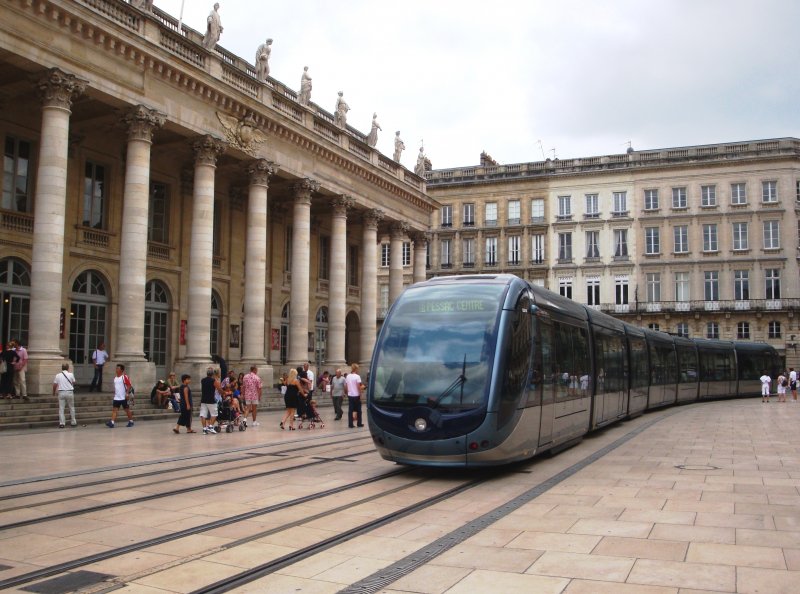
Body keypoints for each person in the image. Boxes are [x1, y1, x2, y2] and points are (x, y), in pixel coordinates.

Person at [53, 362, 76, 428]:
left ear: (62, 368)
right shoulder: (71, 374)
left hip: (61, 392)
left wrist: (54, 392)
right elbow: (73, 382)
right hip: (70, 392)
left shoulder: (58, 375)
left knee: (61, 408)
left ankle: (62, 423)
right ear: (68, 368)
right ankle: (73, 422)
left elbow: (55, 385)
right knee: (71, 407)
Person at [345, 362, 365, 428]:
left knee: (350, 410)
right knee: (359, 410)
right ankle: (359, 423)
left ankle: (350, 424)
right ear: (356, 369)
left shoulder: (348, 376)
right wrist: (360, 394)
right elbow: (358, 386)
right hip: (356, 395)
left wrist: (348, 393)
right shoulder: (357, 376)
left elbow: (346, 386)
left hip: (350, 395)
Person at [199, 367, 218, 434]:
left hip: (203, 399)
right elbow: (219, 388)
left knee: (203, 414)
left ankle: (204, 429)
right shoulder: (213, 380)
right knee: (214, 414)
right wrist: (223, 393)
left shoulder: (202, 380)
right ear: (212, 374)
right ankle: (210, 427)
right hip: (211, 399)